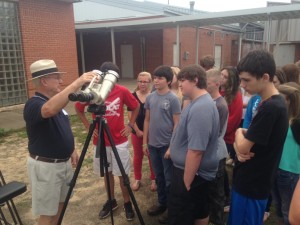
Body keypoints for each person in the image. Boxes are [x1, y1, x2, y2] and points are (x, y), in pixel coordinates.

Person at [24, 59, 98, 225]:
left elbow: (61, 125)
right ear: (44, 81)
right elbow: (49, 110)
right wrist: (77, 82)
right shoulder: (34, 104)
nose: (61, 81)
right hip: (46, 167)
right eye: (56, 77)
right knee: (47, 213)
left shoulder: (57, 103)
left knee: (61, 205)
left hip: (62, 163)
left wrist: (71, 148)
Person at [228, 50, 289, 225]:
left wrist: (239, 132)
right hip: (251, 182)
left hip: (252, 184)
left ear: (265, 77)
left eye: (246, 80)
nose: (242, 84)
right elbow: (249, 141)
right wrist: (241, 141)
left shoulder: (271, 108)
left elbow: (244, 147)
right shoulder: (270, 103)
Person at [74, 62, 139, 221]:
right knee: (107, 173)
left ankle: (127, 203)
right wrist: (87, 125)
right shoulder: (93, 90)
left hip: (119, 141)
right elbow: (78, 107)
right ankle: (111, 201)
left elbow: (135, 106)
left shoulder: (122, 90)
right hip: (100, 140)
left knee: (122, 174)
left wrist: (130, 125)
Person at [168, 64, 220, 225]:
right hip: (192, 172)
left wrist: (186, 182)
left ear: (195, 80)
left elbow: (196, 150)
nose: (179, 84)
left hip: (192, 174)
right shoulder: (197, 102)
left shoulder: (201, 107)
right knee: (199, 209)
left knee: (183, 215)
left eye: (183, 80)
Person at [143, 65, 181, 224]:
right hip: (153, 145)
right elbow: (147, 120)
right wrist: (145, 142)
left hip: (166, 146)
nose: (156, 80)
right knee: (158, 176)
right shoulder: (150, 97)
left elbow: (177, 125)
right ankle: (161, 202)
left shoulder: (173, 99)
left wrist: (172, 147)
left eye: (160, 78)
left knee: (169, 179)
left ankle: (172, 209)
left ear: (169, 81)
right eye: (155, 77)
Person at [272, 82, 300, 225]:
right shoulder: (281, 118)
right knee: (278, 206)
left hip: (290, 171)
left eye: (280, 98)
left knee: (288, 208)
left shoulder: (296, 122)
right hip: (276, 168)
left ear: (289, 101)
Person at [206, 69, 229, 225]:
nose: (204, 85)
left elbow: (216, 133)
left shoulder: (220, 105)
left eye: (206, 83)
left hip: (216, 153)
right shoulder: (208, 100)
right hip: (209, 152)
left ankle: (218, 219)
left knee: (217, 189)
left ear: (217, 84)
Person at [219, 66, 243, 211]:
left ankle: (226, 198)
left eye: (225, 76)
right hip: (218, 136)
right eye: (221, 74)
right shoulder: (219, 92)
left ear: (231, 80)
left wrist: (220, 132)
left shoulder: (235, 96)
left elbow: (233, 120)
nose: (221, 78)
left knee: (221, 170)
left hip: (226, 138)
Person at [128, 71, 156, 192]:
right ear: (137, 82)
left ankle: (154, 179)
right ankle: (137, 178)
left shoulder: (154, 95)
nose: (142, 84)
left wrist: (148, 132)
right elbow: (130, 115)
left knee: (152, 156)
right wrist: (137, 130)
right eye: (140, 81)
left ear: (150, 82)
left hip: (152, 133)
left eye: (145, 81)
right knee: (138, 156)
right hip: (137, 132)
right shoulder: (132, 96)